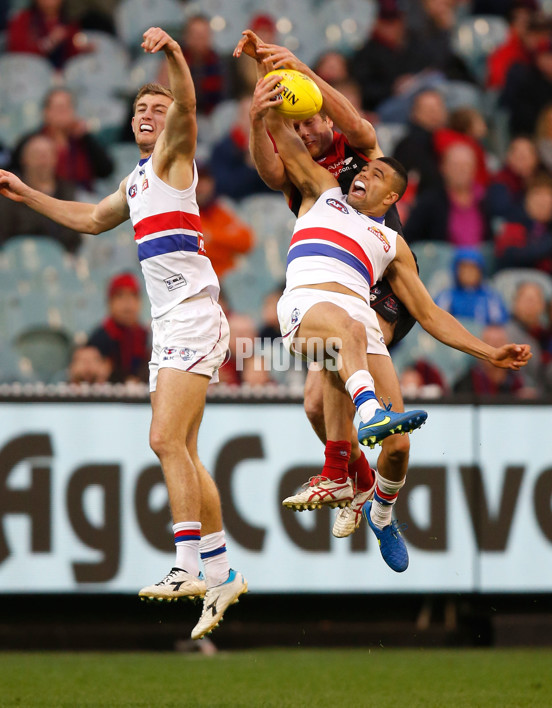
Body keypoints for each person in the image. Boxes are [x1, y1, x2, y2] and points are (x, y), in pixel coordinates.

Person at [0, 26, 246, 640]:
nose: (149, 115)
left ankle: (187, 564)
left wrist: (177, 56)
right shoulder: (136, 181)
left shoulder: (173, 155)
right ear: (130, 123)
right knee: (182, 449)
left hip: (193, 311)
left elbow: (186, 105)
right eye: (140, 109)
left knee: (163, 441)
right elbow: (90, 218)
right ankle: (221, 572)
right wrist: (28, 195)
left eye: (157, 109)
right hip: (171, 323)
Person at [252, 72, 531, 572]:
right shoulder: (323, 191)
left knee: (397, 449)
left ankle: (380, 510)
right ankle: (345, 456)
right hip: (310, 311)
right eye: (366, 170)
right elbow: (283, 140)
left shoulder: (392, 245)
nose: (364, 174)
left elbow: (429, 315)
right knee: (344, 348)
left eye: (378, 176)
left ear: (390, 201)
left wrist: (490, 351)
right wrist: (267, 79)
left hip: (355, 317)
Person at [235, 30, 418, 539]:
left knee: (342, 347)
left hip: (384, 283)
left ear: (322, 111)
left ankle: (341, 474)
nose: (308, 131)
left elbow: (353, 120)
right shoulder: (303, 176)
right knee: (315, 405)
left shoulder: (361, 150)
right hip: (337, 288)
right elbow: (272, 165)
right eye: (298, 126)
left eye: (311, 119)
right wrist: (262, 85)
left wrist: (297, 66)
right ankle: (366, 489)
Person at [0, 133, 82, 252]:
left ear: (55, 159)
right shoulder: (9, 193)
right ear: (24, 159)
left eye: (47, 154)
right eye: (37, 155)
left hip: (62, 262)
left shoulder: (67, 191)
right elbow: (0, 236)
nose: (43, 160)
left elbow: (74, 235)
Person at [12, 88, 114, 193]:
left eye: (68, 107)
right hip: (44, 198)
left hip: (82, 200)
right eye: (58, 108)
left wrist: (87, 137)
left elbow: (106, 170)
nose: (63, 113)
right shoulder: (32, 141)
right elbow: (15, 167)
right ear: (46, 112)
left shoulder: (85, 141)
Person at [88, 272, 150, 383]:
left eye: (133, 296)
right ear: (109, 303)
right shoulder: (100, 338)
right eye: (120, 296)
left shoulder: (145, 337)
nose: (127, 304)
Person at [195, 164, 254, 279]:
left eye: (203, 180)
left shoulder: (221, 209)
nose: (200, 186)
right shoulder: (183, 214)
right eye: (195, 180)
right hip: (199, 280)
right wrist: (226, 245)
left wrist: (212, 237)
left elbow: (246, 241)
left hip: (228, 280)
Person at [7, 0, 91, 69]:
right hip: (30, 74)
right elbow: (17, 52)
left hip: (62, 77)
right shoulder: (22, 19)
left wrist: (83, 49)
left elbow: (73, 57)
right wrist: (49, 43)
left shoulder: (69, 22)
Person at [435, 248, 509, 326]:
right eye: (464, 268)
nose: (468, 272)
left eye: (473, 268)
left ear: (480, 271)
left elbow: (499, 327)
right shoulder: (447, 296)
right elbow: (436, 321)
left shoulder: (491, 298)